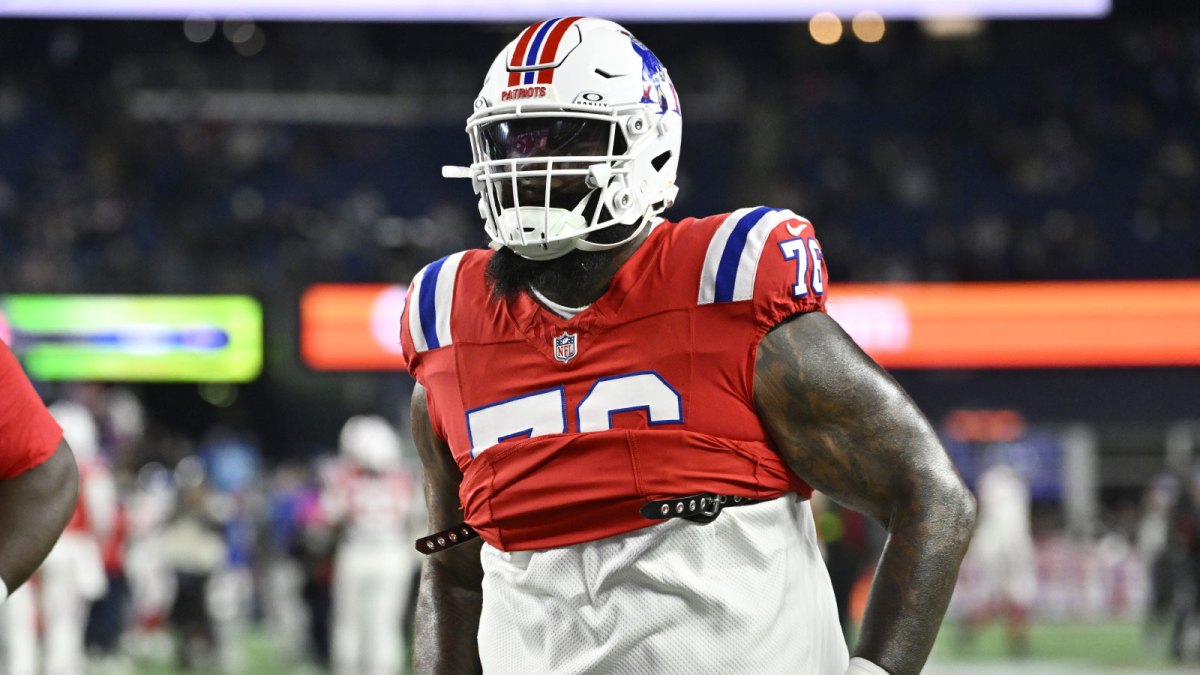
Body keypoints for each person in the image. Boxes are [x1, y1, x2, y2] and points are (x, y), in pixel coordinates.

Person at [403, 17, 976, 675]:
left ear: (646, 146)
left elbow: (932, 496)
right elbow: (451, 570)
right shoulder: (450, 324)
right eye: (512, 143)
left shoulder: (725, 290)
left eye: (565, 139)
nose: (529, 168)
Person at [0, 340, 79, 674]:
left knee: (34, 625)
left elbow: (46, 466)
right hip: (71, 544)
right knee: (58, 622)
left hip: (61, 542)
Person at [323, 415, 419, 675]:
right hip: (392, 552)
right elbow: (412, 516)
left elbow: (331, 514)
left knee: (349, 625)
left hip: (357, 550)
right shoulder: (403, 477)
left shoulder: (344, 477)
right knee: (385, 625)